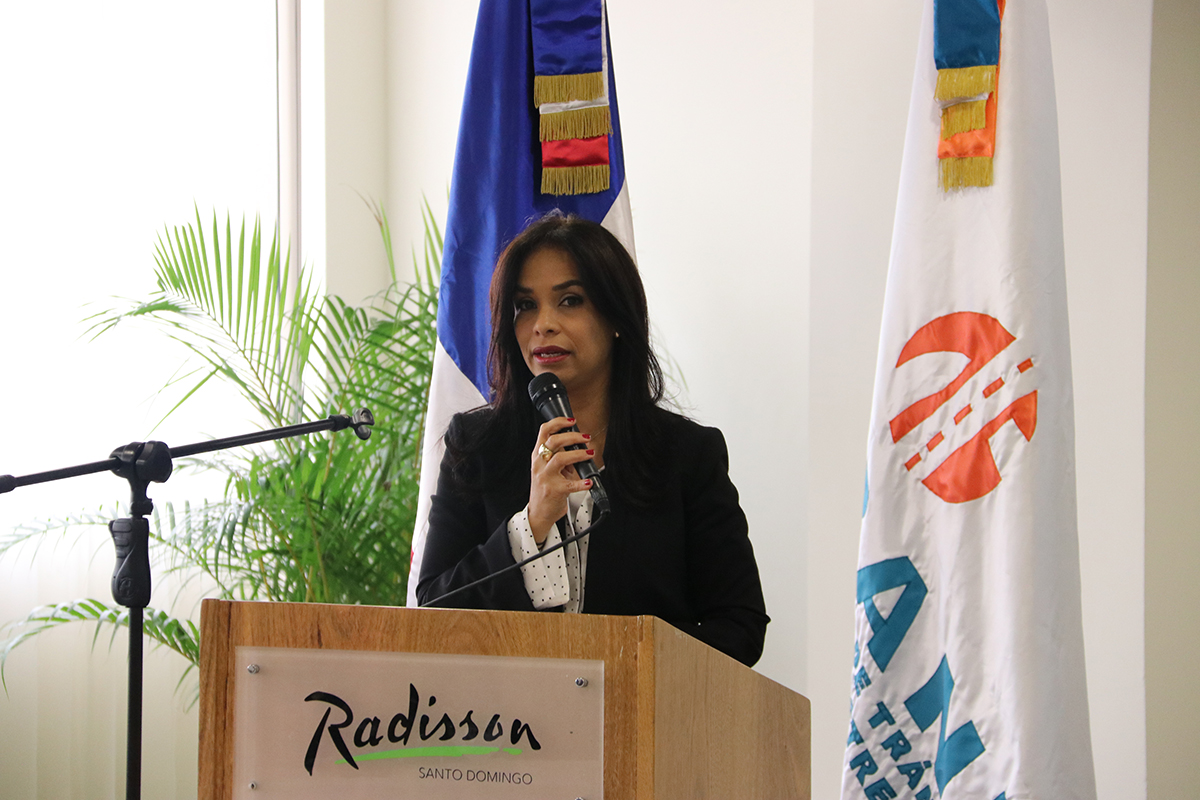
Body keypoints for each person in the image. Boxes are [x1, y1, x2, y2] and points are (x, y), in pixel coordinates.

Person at [416, 213, 769, 667]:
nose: (543, 324)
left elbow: (740, 626)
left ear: (617, 316)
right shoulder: (475, 447)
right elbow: (433, 609)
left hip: (641, 707)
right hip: (503, 712)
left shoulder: (686, 455)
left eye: (570, 300)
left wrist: (623, 664)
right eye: (525, 305)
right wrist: (532, 524)